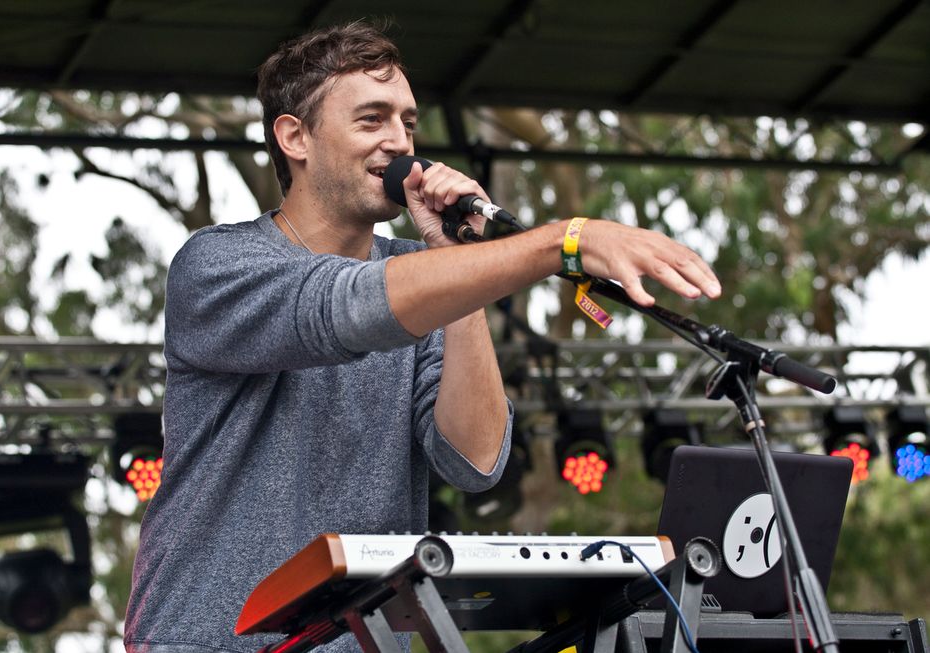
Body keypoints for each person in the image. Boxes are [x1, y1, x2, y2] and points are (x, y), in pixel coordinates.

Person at [123, 20, 721, 653]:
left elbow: (476, 461)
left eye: (408, 124)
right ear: (295, 137)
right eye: (371, 120)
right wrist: (561, 241)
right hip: (202, 640)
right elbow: (346, 308)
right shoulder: (217, 264)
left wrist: (457, 259)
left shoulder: (425, 273)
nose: (400, 143)